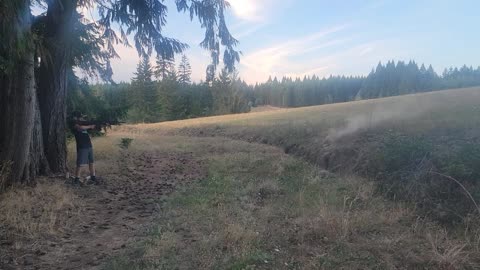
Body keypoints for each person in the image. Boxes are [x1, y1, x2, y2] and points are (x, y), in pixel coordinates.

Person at [70, 111, 98, 186]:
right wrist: (90, 126)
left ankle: (93, 177)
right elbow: (80, 128)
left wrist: (94, 125)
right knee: (80, 164)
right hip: (82, 146)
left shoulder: (83, 124)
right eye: (80, 117)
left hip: (89, 146)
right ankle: (76, 179)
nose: (82, 119)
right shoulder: (75, 125)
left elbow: (89, 129)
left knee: (91, 162)